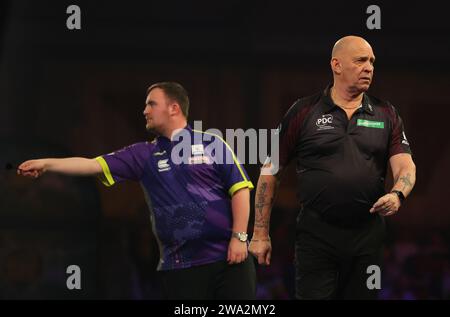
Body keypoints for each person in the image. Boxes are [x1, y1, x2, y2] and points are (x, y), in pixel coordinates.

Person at [17, 82, 256, 300]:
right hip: (181, 266)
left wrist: (239, 237)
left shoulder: (212, 144)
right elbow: (91, 164)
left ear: (174, 108)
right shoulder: (142, 155)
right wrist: (48, 163)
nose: (145, 111)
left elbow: (241, 190)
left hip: (229, 259)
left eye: (152, 104)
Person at [248, 36, 416, 300]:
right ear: (336, 65)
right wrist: (259, 233)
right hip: (316, 235)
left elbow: (405, 165)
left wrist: (398, 194)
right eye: (361, 60)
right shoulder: (304, 111)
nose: (369, 67)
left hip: (367, 237)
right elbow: (270, 172)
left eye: (372, 61)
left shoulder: (386, 114)